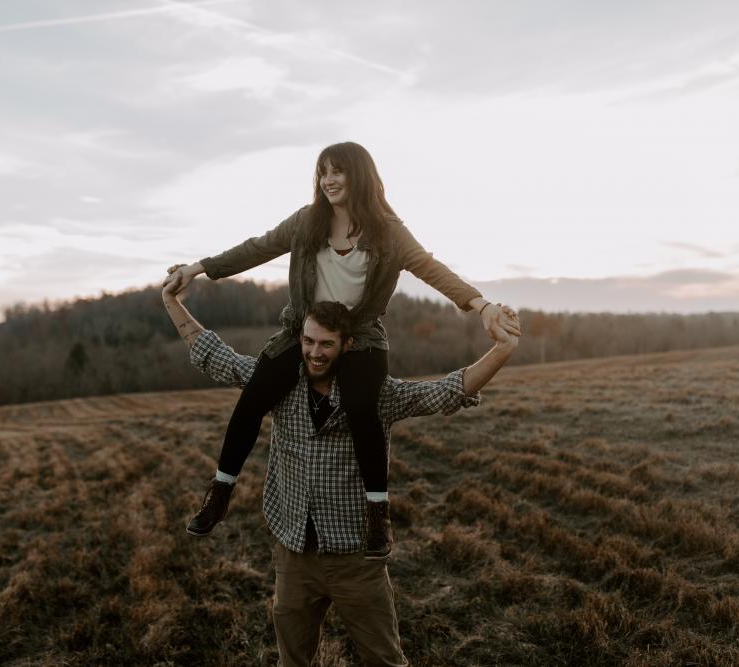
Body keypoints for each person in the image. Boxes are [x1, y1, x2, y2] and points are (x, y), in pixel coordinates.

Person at [165, 141, 520, 559]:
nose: (328, 180)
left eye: (338, 171)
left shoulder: (389, 232)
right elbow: (256, 248)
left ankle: (377, 515)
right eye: (323, 172)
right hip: (305, 330)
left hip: (360, 337)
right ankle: (220, 492)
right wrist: (197, 268)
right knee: (252, 398)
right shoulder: (306, 222)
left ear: (359, 175)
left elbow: (430, 268)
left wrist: (481, 306)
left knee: (361, 408)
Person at [161, 274, 520, 666]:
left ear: (347, 345)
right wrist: (171, 301)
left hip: (356, 559)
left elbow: (447, 390)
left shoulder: (374, 395)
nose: (314, 353)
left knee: (385, 661)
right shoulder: (277, 384)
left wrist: (503, 349)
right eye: (308, 341)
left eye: (326, 344)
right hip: (294, 554)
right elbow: (216, 356)